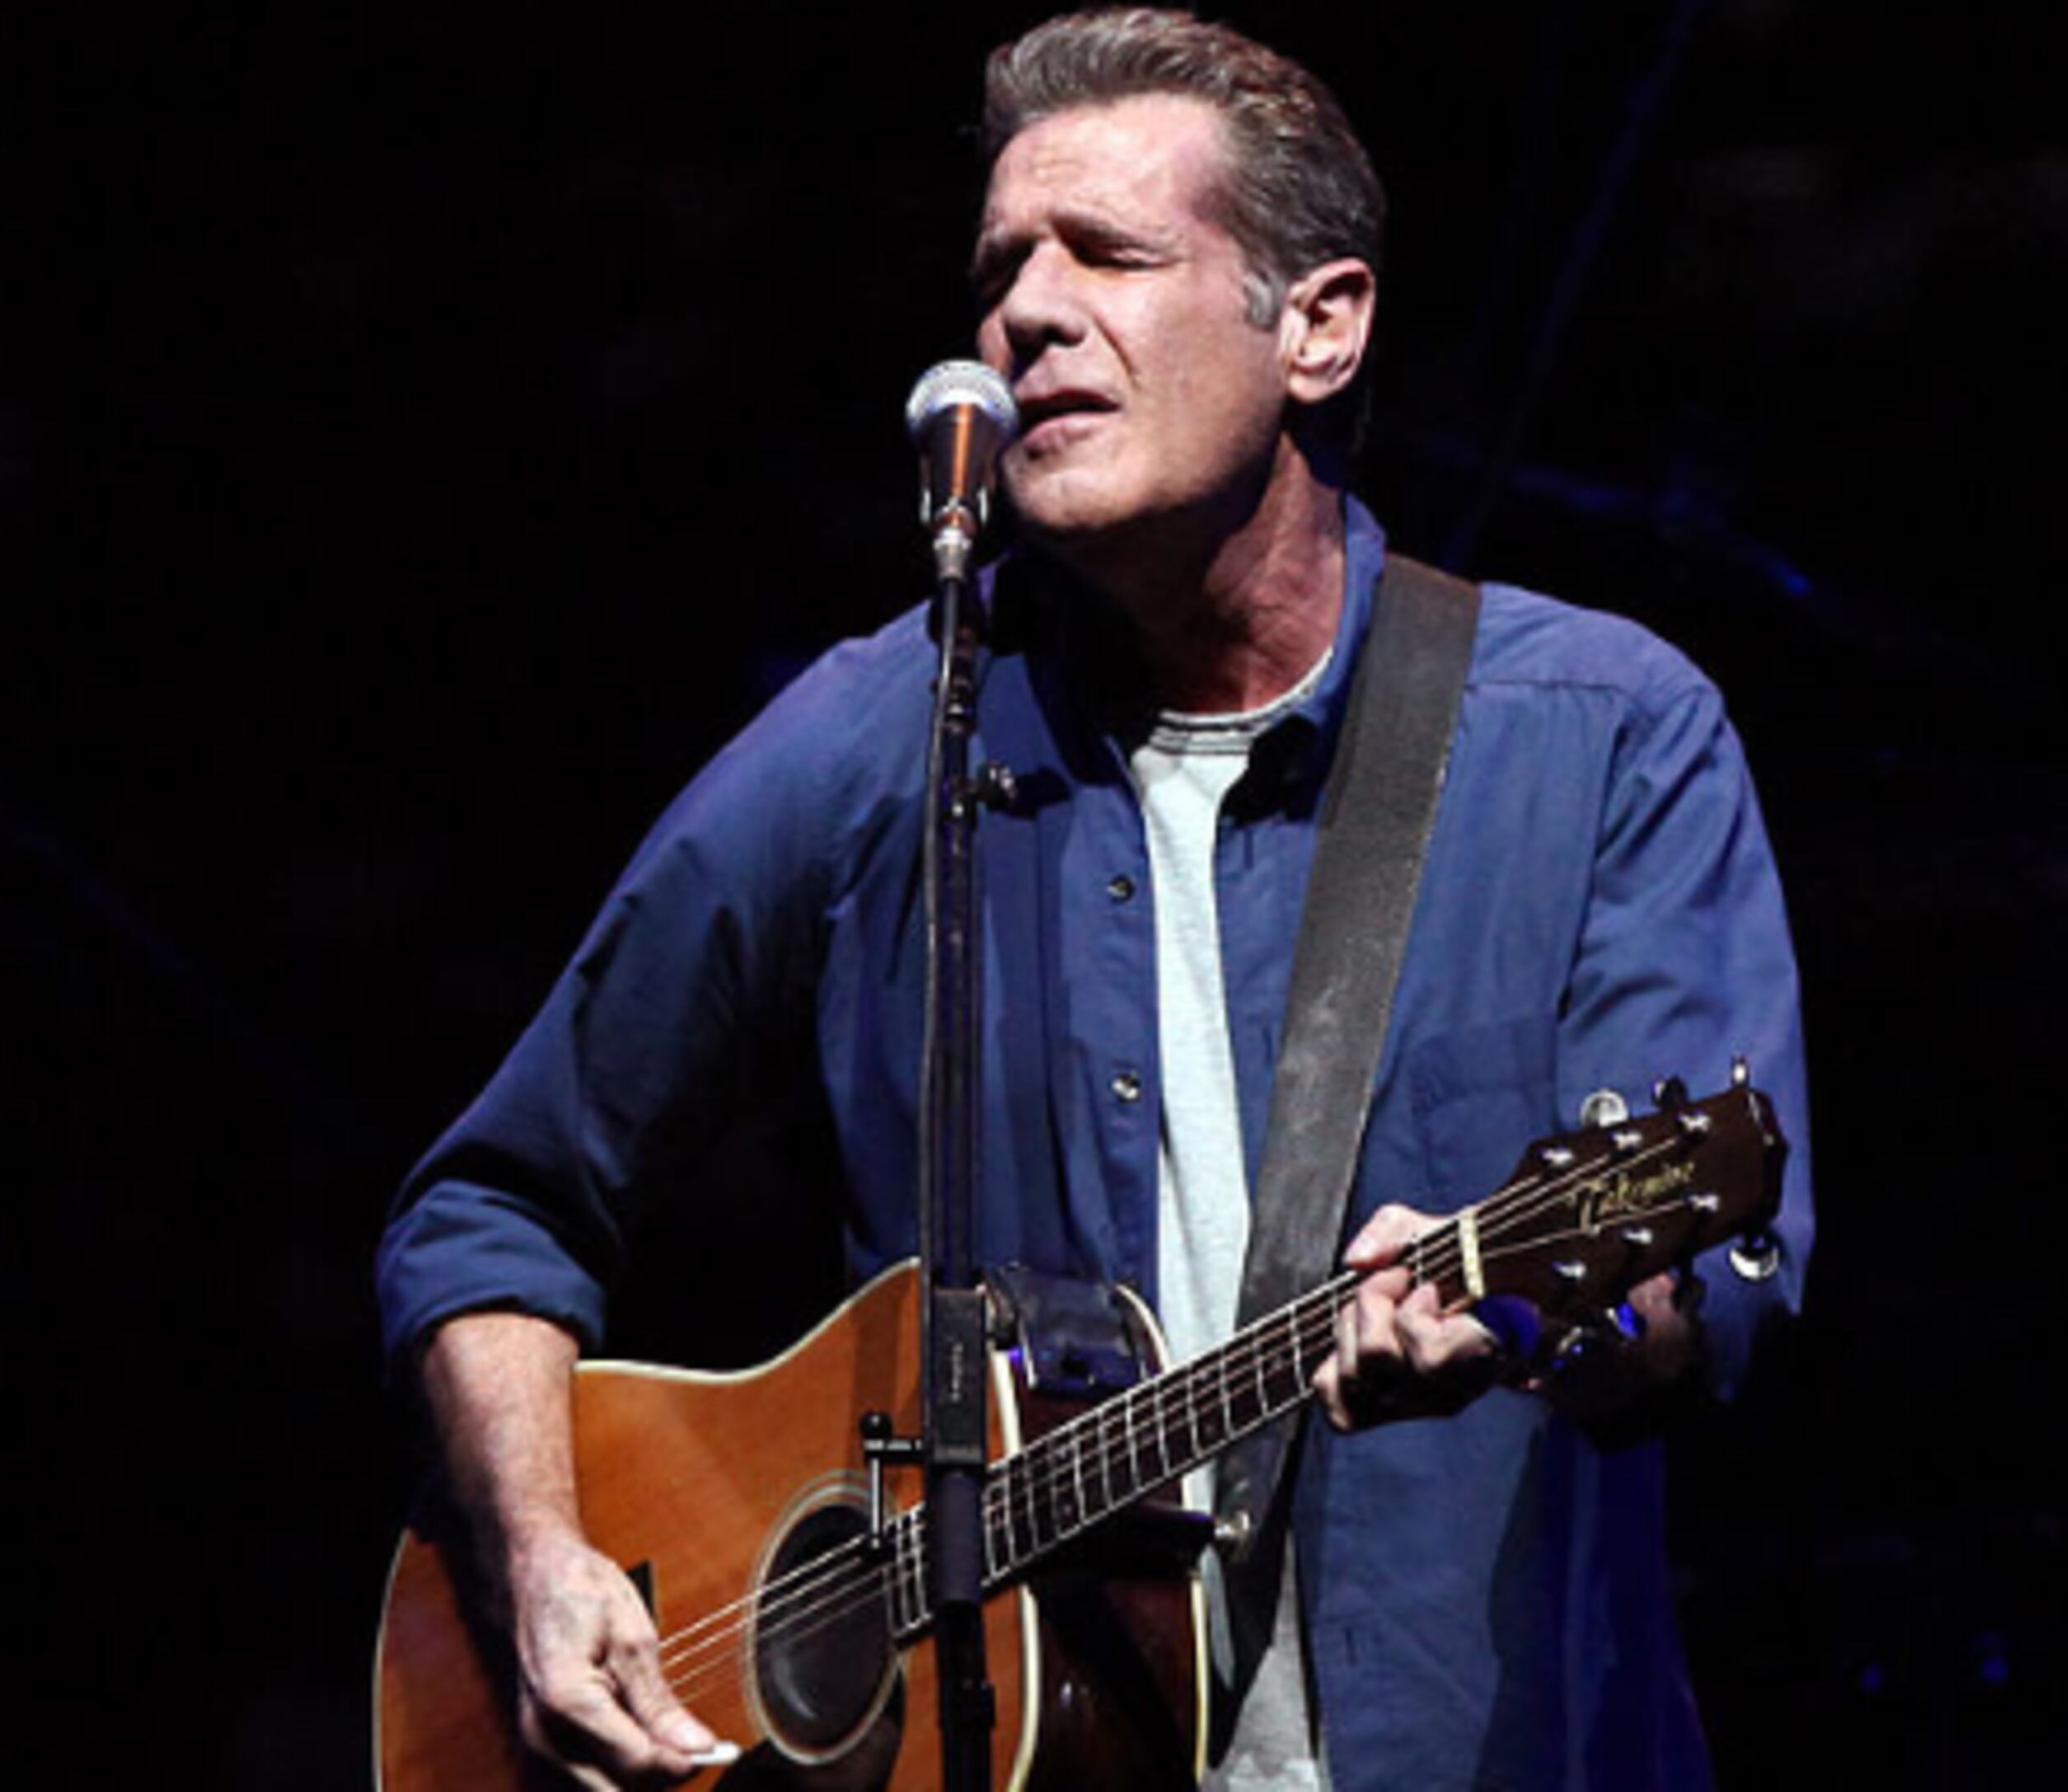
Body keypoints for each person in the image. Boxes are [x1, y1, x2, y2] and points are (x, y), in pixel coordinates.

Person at [374, 7, 1812, 1789]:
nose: (1024, 315)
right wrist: (537, 1558)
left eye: (1111, 255)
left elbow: (1696, 1290)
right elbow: (494, 1208)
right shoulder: (871, 742)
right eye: (1000, 269)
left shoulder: (1600, 735)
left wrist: (1529, 1310)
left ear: (1320, 327)